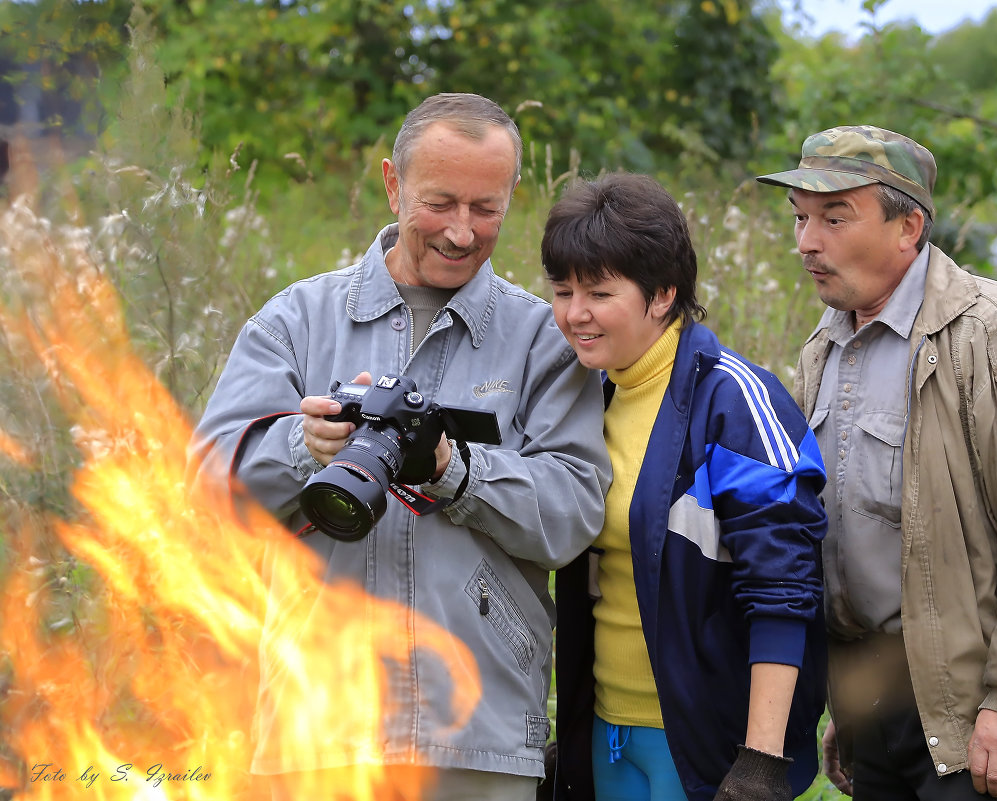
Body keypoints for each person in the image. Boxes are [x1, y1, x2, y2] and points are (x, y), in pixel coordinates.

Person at [190, 92, 611, 801]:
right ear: (392, 183)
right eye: (439, 202)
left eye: (486, 208)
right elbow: (205, 486)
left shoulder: (545, 339)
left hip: (479, 735)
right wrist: (303, 446)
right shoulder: (294, 321)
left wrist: (456, 470)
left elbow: (573, 514)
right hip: (317, 728)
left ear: (514, 196)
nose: (461, 231)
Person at [756, 126, 997, 800]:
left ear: (908, 225)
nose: (806, 242)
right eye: (800, 218)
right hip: (873, 701)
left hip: (976, 712)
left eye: (833, 216)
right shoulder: (822, 350)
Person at [542, 173, 829, 801]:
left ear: (662, 294)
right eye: (562, 291)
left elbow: (784, 590)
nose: (574, 313)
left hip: (702, 745)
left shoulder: (734, 401)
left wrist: (761, 761)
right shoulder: (580, 396)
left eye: (599, 292)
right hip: (605, 733)